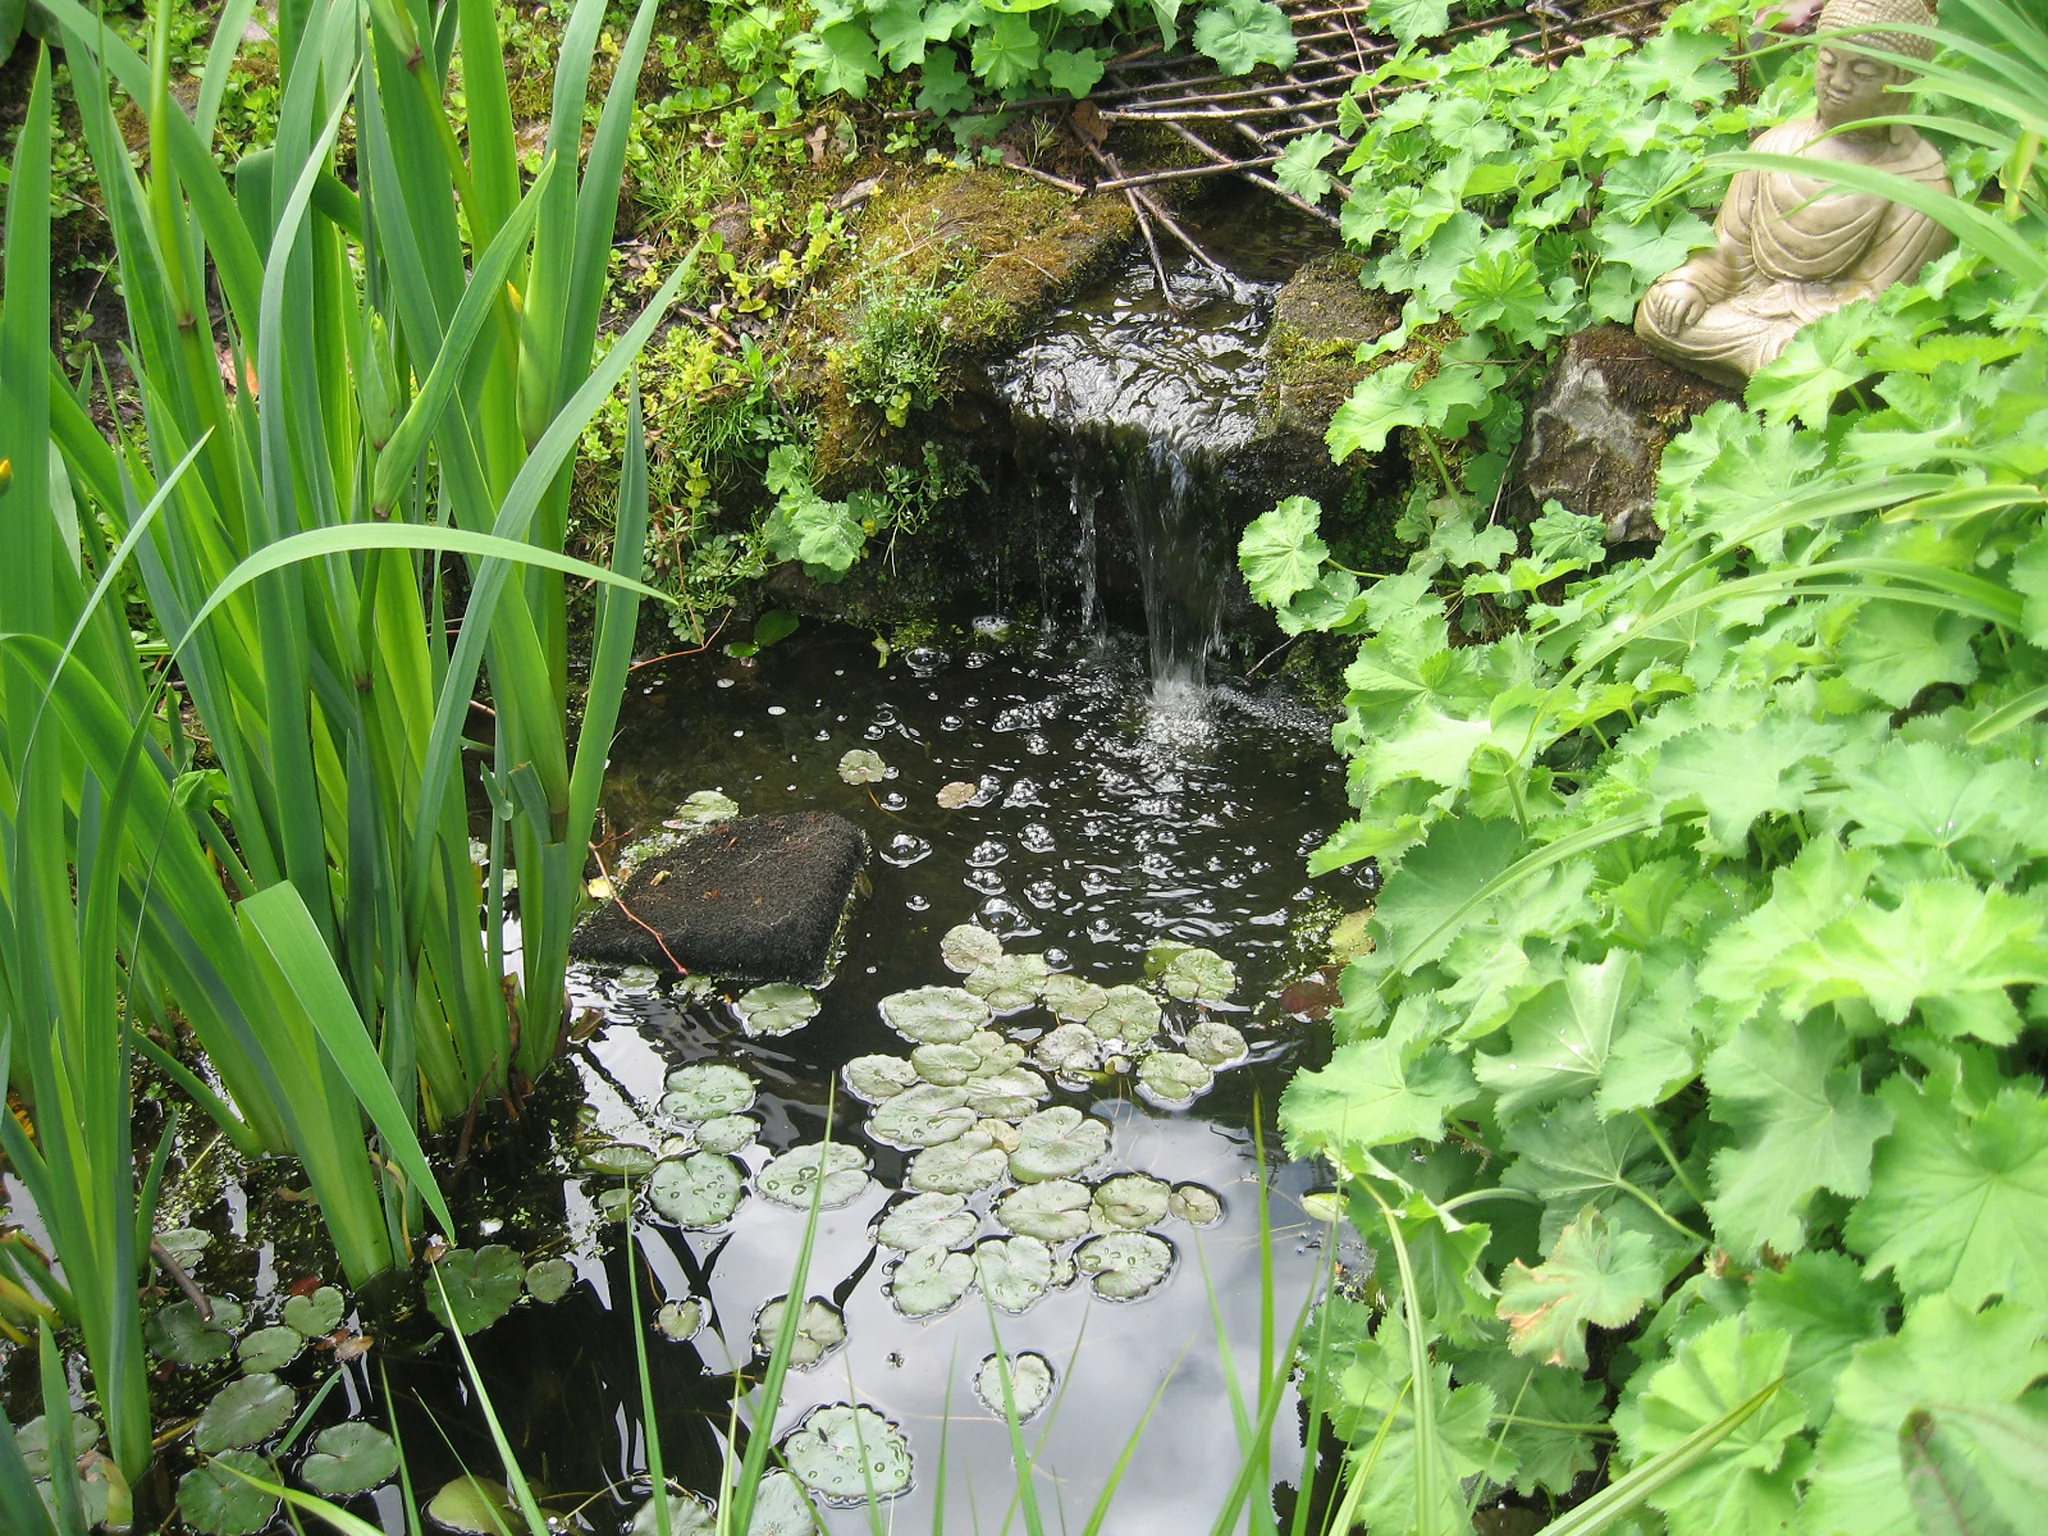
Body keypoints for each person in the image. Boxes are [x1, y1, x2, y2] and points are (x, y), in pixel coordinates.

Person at [1635, 0, 1951, 386]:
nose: (1837, 82)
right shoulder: (1778, 145)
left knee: (1804, 358)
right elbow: (1728, 249)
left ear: (1902, 82)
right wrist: (1693, 283)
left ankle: (1768, 367)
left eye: (1863, 71)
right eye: (1829, 62)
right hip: (1750, 303)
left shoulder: (1921, 182)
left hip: (1813, 324)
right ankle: (1760, 364)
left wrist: (1801, 320)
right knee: (1659, 312)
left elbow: (1879, 298)